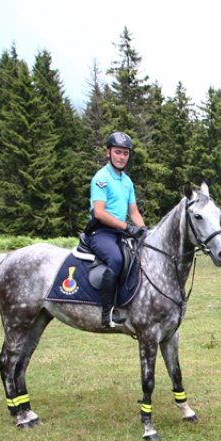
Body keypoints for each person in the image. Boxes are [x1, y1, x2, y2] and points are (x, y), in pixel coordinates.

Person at [86, 131, 147, 328]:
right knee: (117, 259)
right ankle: (107, 313)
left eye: (125, 154)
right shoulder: (101, 178)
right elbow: (99, 212)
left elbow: (134, 211)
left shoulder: (127, 181)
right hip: (100, 232)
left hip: (120, 232)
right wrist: (127, 227)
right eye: (118, 152)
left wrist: (144, 230)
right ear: (108, 153)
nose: (121, 157)